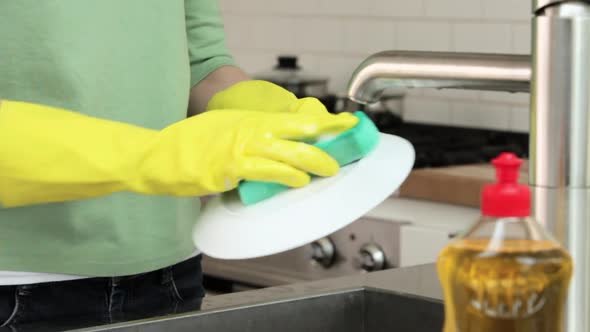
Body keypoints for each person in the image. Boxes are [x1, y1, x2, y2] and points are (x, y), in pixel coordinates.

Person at [0, 1, 357, 330]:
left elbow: (202, 59)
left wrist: (264, 110)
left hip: (171, 276)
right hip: (17, 285)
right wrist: (153, 155)